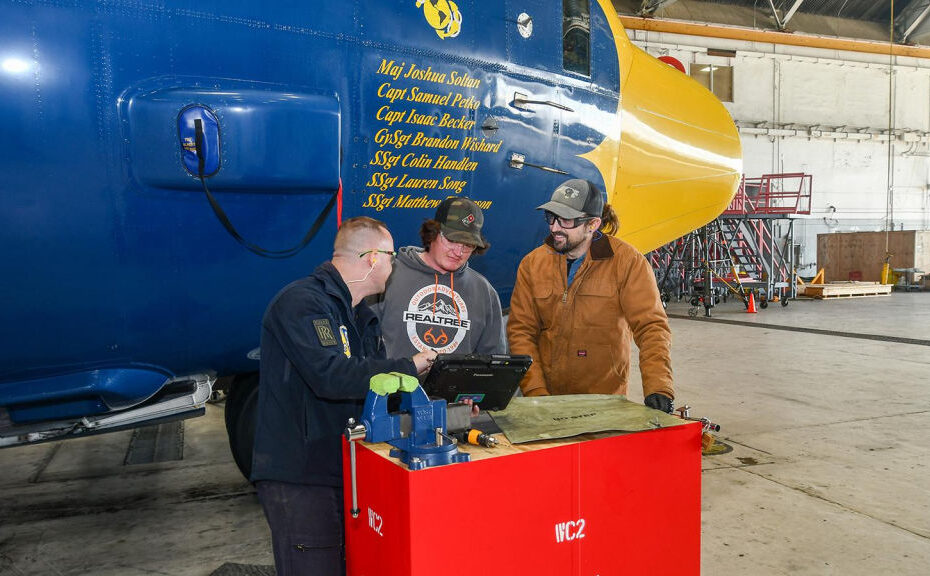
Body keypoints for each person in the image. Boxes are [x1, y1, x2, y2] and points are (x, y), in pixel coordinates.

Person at [250, 216, 437, 576]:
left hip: (346, 470)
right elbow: (330, 376)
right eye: (391, 255)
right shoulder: (302, 304)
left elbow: (375, 389)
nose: (393, 264)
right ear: (371, 258)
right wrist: (408, 366)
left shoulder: (359, 317)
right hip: (302, 477)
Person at [507, 179, 674, 412]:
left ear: (593, 224)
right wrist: (536, 392)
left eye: (566, 220)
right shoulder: (533, 264)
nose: (554, 227)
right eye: (551, 217)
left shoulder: (627, 263)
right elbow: (521, 331)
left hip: (604, 402)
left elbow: (651, 327)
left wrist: (658, 387)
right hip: (547, 399)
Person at [373, 196, 506, 357]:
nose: (458, 252)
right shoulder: (387, 274)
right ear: (433, 233)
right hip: (394, 381)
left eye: (468, 245)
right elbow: (362, 344)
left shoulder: (484, 292)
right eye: (451, 240)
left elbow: (492, 360)